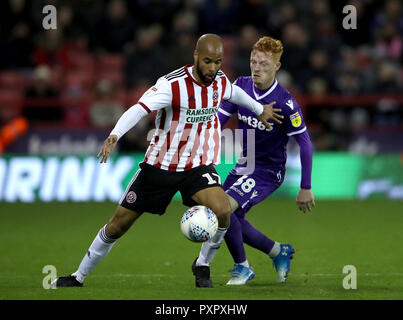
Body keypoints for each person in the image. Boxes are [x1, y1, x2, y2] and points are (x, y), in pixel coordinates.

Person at [51, 33, 283, 288]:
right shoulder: (171, 85)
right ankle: (78, 276)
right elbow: (139, 108)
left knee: (223, 211)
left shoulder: (218, 81)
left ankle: (203, 265)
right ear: (195, 56)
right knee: (117, 225)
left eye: (218, 62)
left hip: (197, 166)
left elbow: (236, 93)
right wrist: (115, 134)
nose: (213, 68)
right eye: (207, 61)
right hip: (160, 167)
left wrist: (261, 110)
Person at [193, 36, 315, 287]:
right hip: (244, 164)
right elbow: (219, 119)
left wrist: (305, 186)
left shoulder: (285, 102)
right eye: (253, 62)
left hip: (268, 171)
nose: (256, 68)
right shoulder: (241, 86)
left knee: (222, 210)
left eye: (264, 64)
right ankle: (277, 251)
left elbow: (305, 143)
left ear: (277, 66)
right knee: (228, 217)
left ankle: (242, 268)